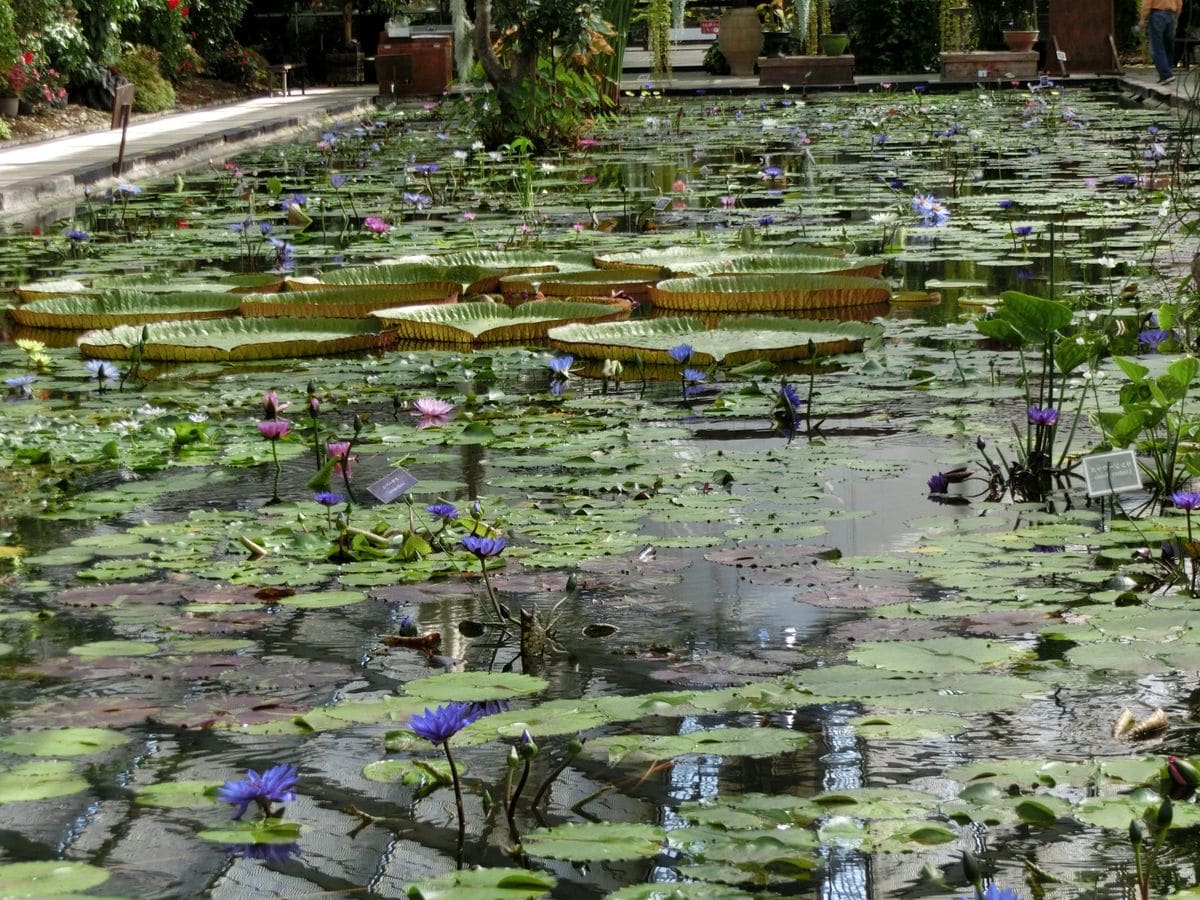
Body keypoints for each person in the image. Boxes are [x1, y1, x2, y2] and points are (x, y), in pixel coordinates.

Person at [1140, 0, 1183, 84]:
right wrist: (1176, 17)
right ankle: (1168, 72)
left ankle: (1166, 75)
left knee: (1157, 47)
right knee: (1168, 46)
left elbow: (1147, 2)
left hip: (1157, 14)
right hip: (1171, 15)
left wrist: (1142, 18)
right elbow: (1179, 3)